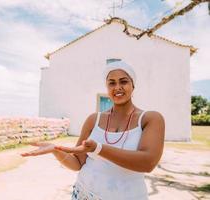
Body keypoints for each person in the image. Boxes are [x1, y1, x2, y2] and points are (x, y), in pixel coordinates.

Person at [20, 59, 165, 200]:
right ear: (107, 88)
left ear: (133, 85)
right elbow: (77, 163)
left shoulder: (150, 118)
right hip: (85, 193)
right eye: (111, 83)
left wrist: (98, 148)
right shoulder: (93, 119)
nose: (117, 87)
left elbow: (148, 163)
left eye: (124, 81)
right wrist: (55, 150)